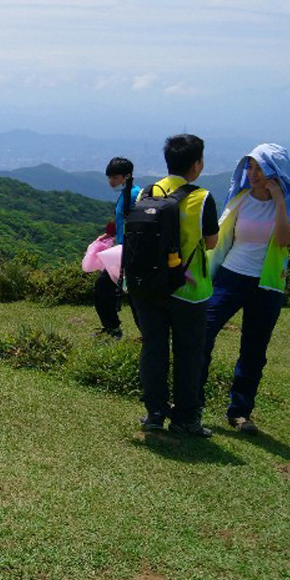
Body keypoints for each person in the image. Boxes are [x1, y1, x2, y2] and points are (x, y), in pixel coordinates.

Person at [201, 144, 290, 434]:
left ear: (275, 172)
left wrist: (278, 200)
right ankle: (191, 401)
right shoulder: (240, 199)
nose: (253, 174)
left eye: (259, 168)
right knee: (203, 332)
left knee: (254, 349)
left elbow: (285, 239)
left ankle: (240, 412)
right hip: (230, 276)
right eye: (250, 167)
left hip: (267, 284)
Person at [131, 135, 219, 437]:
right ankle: (185, 418)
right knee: (189, 354)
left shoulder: (147, 192)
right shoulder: (202, 197)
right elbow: (211, 242)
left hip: (149, 287)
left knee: (153, 349)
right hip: (189, 290)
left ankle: (154, 413)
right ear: (197, 164)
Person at [99, 156, 142, 338]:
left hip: (130, 253)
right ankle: (148, 335)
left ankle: (114, 330)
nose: (111, 181)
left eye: (115, 178)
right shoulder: (128, 193)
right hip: (124, 251)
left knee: (105, 289)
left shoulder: (134, 195)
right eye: (109, 177)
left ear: (126, 176)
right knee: (133, 296)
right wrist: (111, 233)